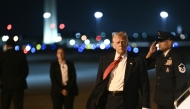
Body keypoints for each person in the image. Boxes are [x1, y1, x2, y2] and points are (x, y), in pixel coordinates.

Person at [86, 31, 151, 109]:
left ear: (127, 43)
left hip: (128, 101)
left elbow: (144, 85)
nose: (120, 44)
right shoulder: (105, 59)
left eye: (123, 42)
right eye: (118, 42)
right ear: (113, 45)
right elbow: (99, 81)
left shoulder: (138, 60)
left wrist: (146, 106)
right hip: (108, 100)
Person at [145, 31, 188, 109]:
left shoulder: (176, 57)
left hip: (171, 100)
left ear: (170, 42)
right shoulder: (159, 56)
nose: (159, 43)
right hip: (160, 99)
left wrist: (179, 99)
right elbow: (145, 66)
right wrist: (150, 53)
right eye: (159, 41)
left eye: (161, 41)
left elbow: (182, 80)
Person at [0, 38, 29, 109]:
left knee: (5, 105)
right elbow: (26, 70)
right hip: (19, 84)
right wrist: (21, 79)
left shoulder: (2, 56)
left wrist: (2, 80)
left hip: (6, 84)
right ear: (14, 45)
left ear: (6, 45)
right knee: (18, 105)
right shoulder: (21, 55)